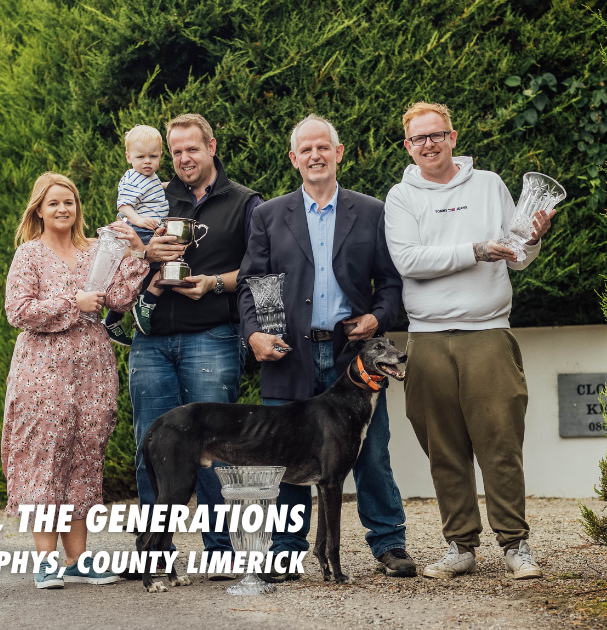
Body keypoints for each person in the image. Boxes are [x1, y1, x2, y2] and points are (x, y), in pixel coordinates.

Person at [237, 114, 415, 580]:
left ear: (339, 153)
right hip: (288, 353)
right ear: (294, 159)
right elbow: (251, 284)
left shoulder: (371, 211)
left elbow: (392, 285)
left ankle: (388, 544)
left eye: (324, 147)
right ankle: (286, 553)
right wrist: (254, 334)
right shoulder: (268, 215)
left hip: (351, 359)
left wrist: (378, 317)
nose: (315, 155)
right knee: (283, 455)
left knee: (372, 452)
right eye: (306, 150)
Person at [383, 102, 556, 580]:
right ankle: (461, 546)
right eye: (419, 139)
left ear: (453, 137)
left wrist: (534, 239)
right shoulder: (401, 197)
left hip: (488, 333)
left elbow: (517, 255)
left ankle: (515, 546)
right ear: (408, 147)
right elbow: (409, 261)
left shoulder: (489, 184)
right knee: (444, 448)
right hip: (429, 338)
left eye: (436, 135)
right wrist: (476, 250)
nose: (429, 144)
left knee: (501, 443)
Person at [2, 172, 150, 588]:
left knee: (86, 457)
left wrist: (136, 254)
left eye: (69, 201)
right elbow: (18, 310)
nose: (62, 209)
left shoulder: (94, 251)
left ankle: (78, 559)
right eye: (53, 203)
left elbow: (119, 299)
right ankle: (46, 559)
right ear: (39, 210)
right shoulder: (28, 255)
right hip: (42, 369)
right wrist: (74, 302)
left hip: (92, 368)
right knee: (44, 459)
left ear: (77, 207)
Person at [128, 114, 263, 561]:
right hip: (152, 342)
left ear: (212, 146)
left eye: (192, 149)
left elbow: (259, 270)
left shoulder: (245, 202)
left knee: (216, 449)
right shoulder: (155, 197)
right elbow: (121, 260)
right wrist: (146, 252)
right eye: (177, 151)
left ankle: (220, 550)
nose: (184, 158)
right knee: (151, 443)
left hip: (213, 337)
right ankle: (153, 550)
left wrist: (213, 283)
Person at [102, 124, 170, 346]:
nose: (147, 161)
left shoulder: (147, 177)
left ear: (161, 155)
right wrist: (139, 221)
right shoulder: (132, 177)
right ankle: (145, 302)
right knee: (162, 266)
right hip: (140, 230)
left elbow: (152, 190)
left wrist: (169, 186)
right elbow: (123, 205)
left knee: (140, 275)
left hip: (149, 229)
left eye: (153, 156)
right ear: (128, 157)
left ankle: (114, 319)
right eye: (141, 156)